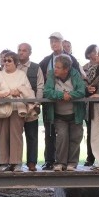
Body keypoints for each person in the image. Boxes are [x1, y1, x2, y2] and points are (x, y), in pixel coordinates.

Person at [0, 51, 33, 172]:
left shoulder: (21, 74)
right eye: (4, 60)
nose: (6, 63)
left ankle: (16, 163)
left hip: (17, 108)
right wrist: (5, 94)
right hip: (1, 109)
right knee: (2, 135)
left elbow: (28, 90)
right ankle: (4, 162)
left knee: (16, 136)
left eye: (9, 60)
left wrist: (18, 91)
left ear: (15, 62)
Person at [43, 55, 86, 171]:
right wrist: (62, 95)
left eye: (58, 67)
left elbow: (82, 91)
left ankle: (72, 162)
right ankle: (60, 162)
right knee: (62, 137)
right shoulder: (51, 74)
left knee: (75, 137)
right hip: (59, 115)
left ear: (66, 69)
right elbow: (47, 92)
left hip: (75, 114)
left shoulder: (75, 74)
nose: (55, 69)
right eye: (55, 66)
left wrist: (70, 95)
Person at [39, 32, 66, 170]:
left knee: (65, 132)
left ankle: (64, 161)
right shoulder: (45, 61)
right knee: (49, 131)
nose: (54, 44)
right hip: (49, 101)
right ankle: (49, 160)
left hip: (66, 102)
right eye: (51, 42)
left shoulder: (71, 59)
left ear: (62, 42)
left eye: (56, 41)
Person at [16, 43, 44, 171]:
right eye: (19, 50)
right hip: (16, 106)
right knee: (16, 135)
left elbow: (40, 86)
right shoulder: (13, 66)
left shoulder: (36, 67)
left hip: (31, 107)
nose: (21, 53)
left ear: (30, 53)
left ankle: (32, 163)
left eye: (24, 50)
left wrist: (36, 104)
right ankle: (15, 162)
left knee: (32, 135)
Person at [83, 44, 98, 167]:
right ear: (88, 55)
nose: (96, 53)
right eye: (94, 52)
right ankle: (90, 157)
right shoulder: (84, 69)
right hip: (88, 105)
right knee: (90, 132)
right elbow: (82, 86)